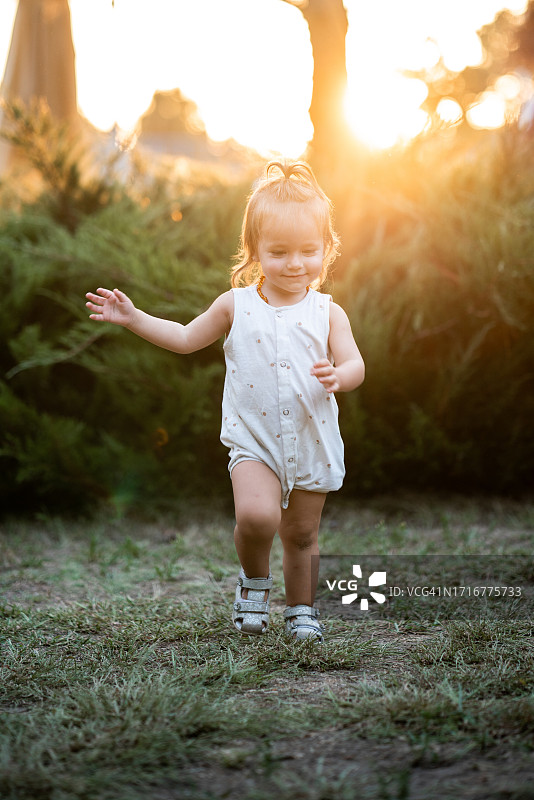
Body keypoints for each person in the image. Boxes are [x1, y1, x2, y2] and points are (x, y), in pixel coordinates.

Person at [85, 160, 365, 643]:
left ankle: (301, 610)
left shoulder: (328, 312)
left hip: (310, 438)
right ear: (255, 250)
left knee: (301, 535)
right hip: (254, 440)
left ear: (327, 249)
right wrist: (135, 318)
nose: (295, 263)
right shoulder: (236, 304)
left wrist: (338, 375)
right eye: (279, 252)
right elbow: (185, 337)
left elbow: (356, 365)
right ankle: (254, 583)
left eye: (308, 251)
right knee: (257, 518)